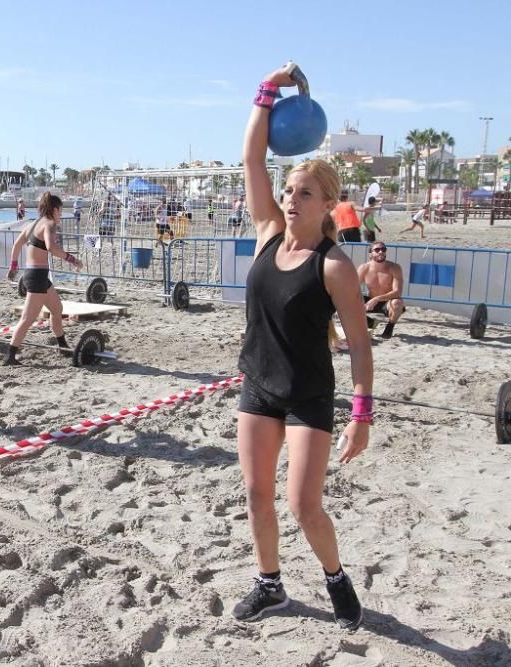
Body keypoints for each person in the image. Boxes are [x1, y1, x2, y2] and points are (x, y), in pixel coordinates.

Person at [233, 63, 373, 630]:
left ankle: (336, 579)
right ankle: (271, 585)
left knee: (302, 505)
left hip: (308, 395)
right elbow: (250, 158)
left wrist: (360, 415)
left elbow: (360, 346)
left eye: (304, 193)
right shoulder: (267, 232)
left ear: (326, 205)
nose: (290, 199)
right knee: (254, 493)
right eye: (288, 190)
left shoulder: (335, 266)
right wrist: (267, 91)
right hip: (257, 385)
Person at [5, 193, 82, 365]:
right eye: (60, 211)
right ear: (54, 209)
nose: (60, 215)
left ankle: (62, 346)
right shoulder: (50, 224)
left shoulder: (32, 224)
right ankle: (9, 356)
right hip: (37, 278)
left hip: (34, 275)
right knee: (27, 319)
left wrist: (13, 266)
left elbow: (17, 245)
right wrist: (72, 259)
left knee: (57, 308)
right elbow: (51, 247)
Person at [357, 242, 405, 339]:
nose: (381, 252)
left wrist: (377, 299)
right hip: (370, 302)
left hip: (386, 303)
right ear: (370, 254)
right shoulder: (364, 268)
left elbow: (397, 292)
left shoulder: (395, 268)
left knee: (398, 303)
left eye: (383, 249)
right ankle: (367, 321)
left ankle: (389, 327)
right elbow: (353, 287)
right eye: (377, 250)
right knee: (351, 299)